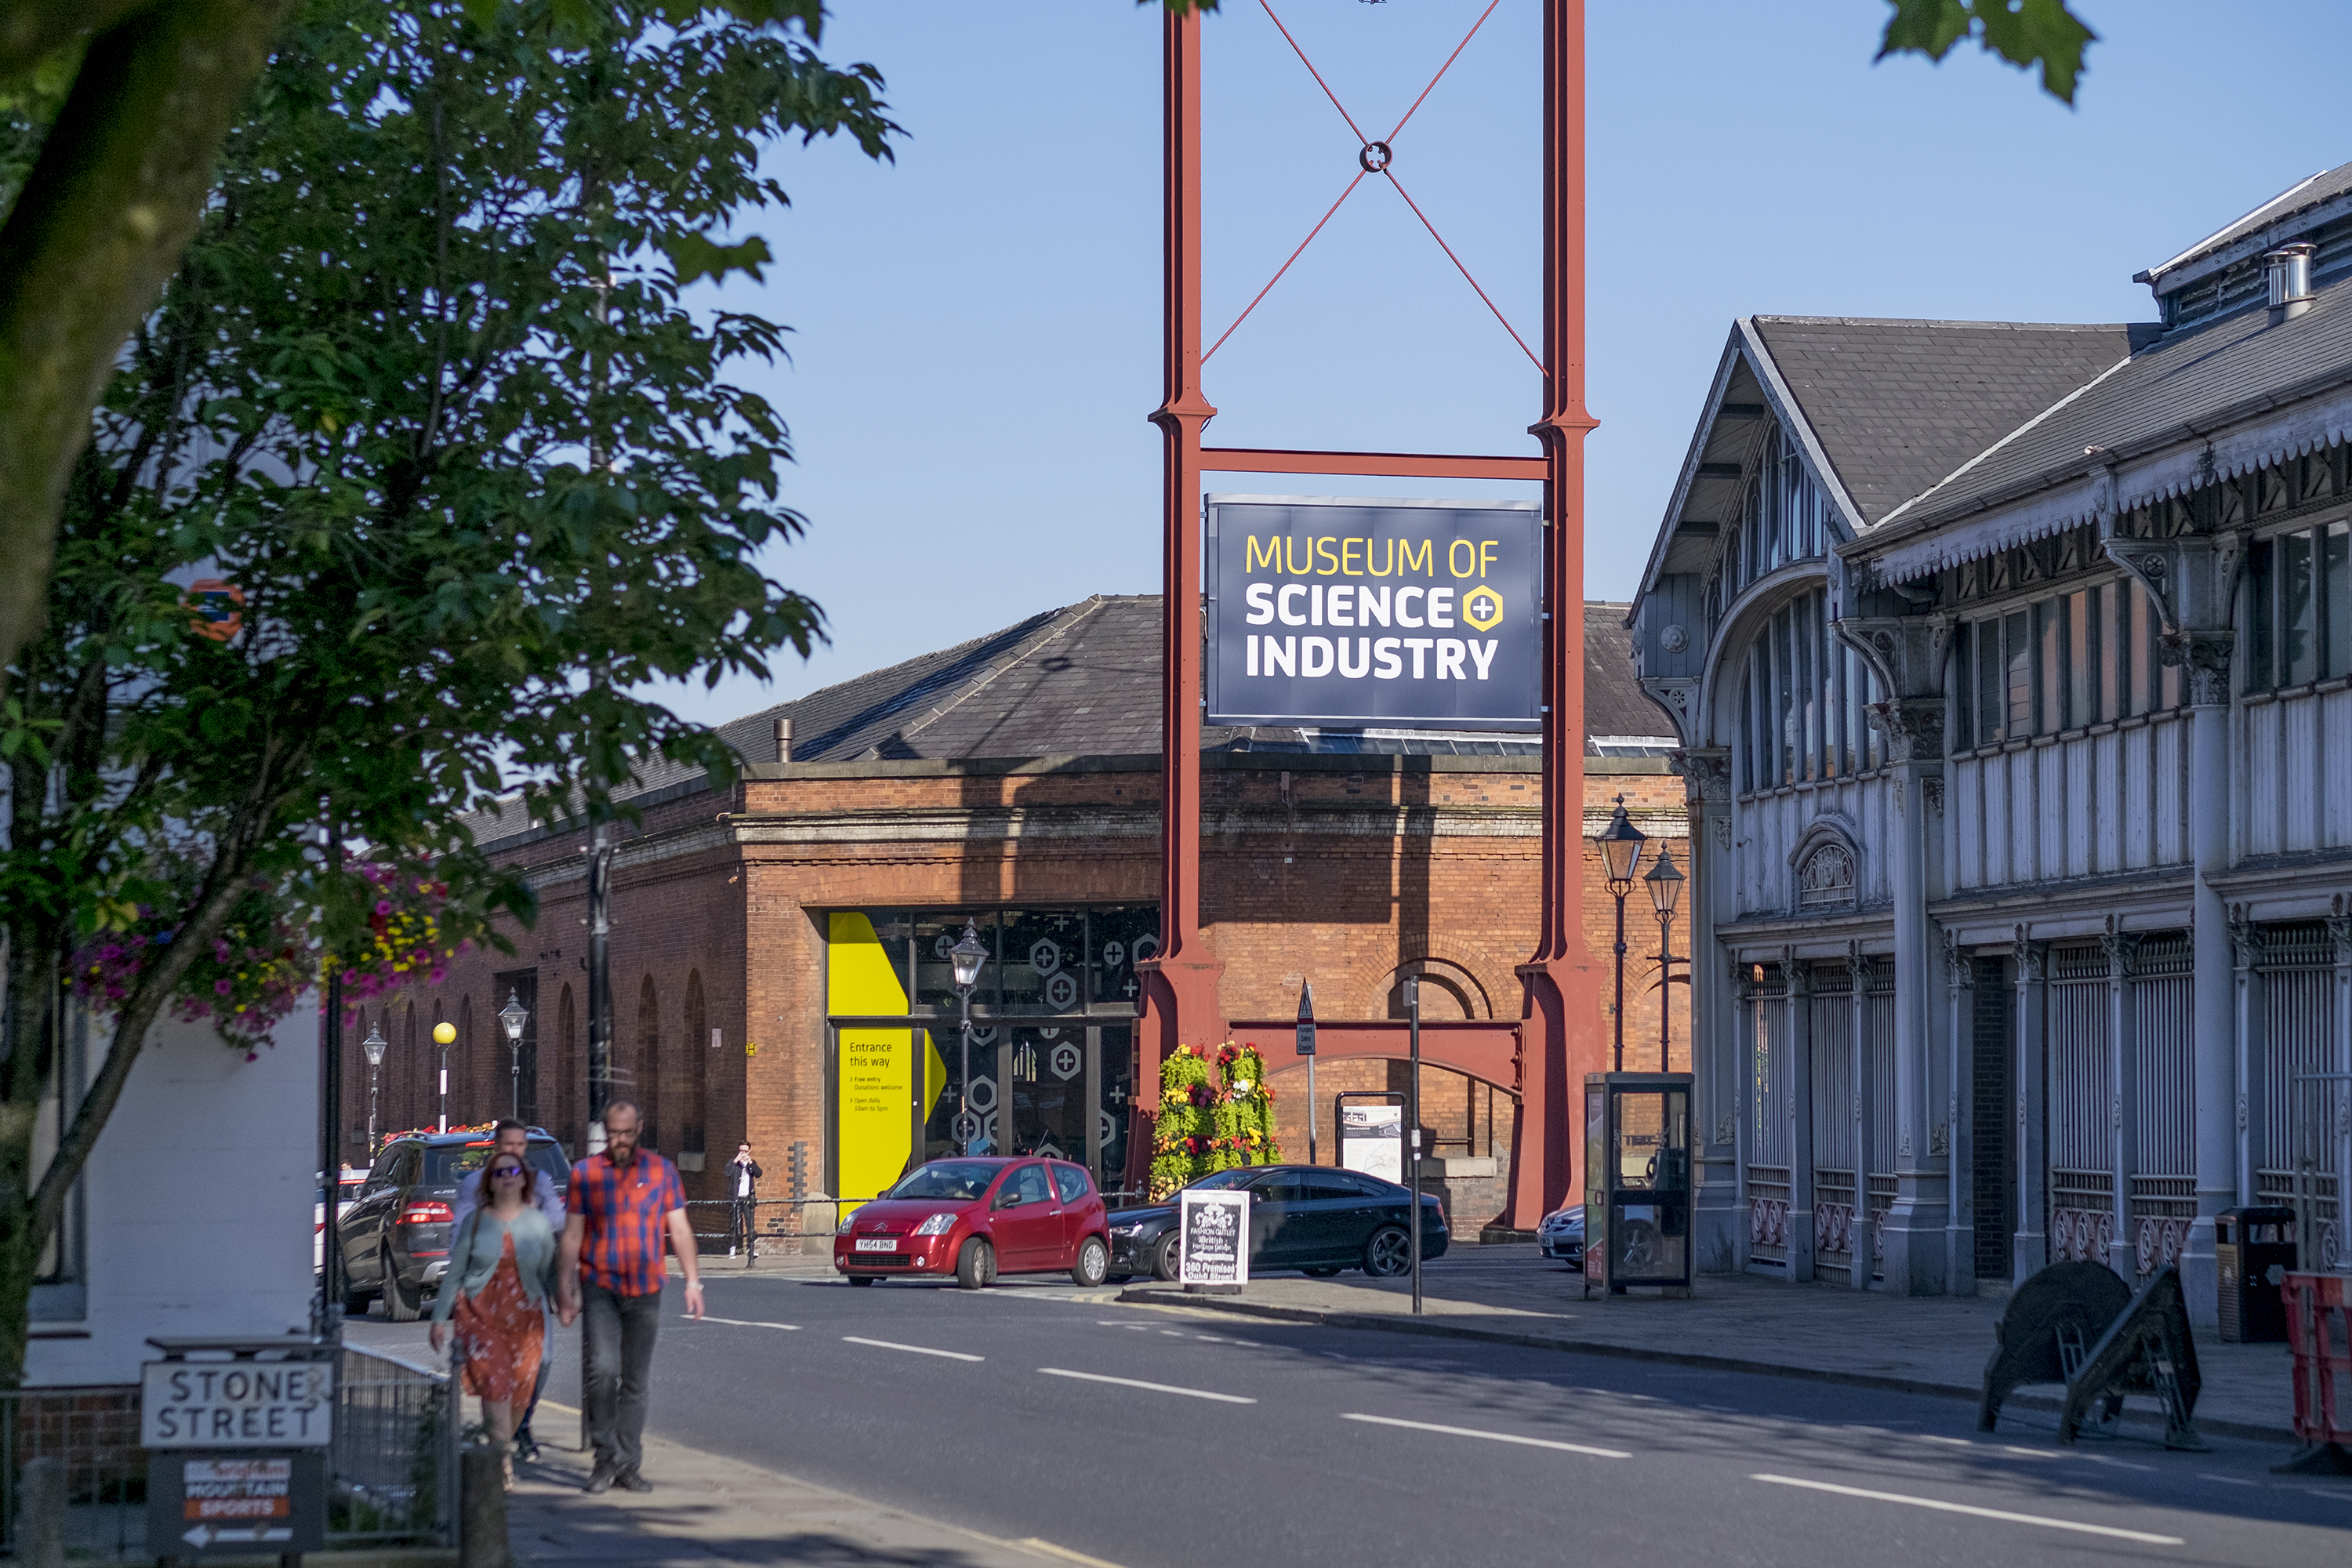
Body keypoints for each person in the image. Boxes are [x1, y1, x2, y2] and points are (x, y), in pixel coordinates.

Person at [557, 1101, 704, 1494]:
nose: (619, 1140)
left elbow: (680, 1228)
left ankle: (627, 1463)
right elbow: (572, 1235)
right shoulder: (585, 1174)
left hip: (646, 1287)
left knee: (635, 1382)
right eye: (613, 1133)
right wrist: (564, 1288)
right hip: (600, 1285)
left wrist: (693, 1282)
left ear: (640, 1128)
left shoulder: (661, 1171)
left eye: (626, 1132)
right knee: (602, 1372)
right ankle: (604, 1459)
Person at [428, 1152, 557, 1491]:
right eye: (499, 1173)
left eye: (514, 1171)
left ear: (524, 1179)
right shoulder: (476, 1222)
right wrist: (440, 1317)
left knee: (519, 1394)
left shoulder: (537, 1223)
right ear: (490, 1181)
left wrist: (566, 1299)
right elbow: (456, 1271)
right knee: (496, 1385)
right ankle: (501, 1465)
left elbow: (550, 1270)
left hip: (526, 1319)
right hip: (480, 1314)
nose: (507, 1177)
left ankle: (498, 1446)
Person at [449, 1120, 567, 1459]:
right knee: (495, 1366)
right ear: (496, 1147)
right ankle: (501, 1445)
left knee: (541, 1361)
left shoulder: (539, 1182)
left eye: (520, 1145)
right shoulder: (475, 1184)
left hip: (529, 1285)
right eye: (508, 1145)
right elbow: (461, 1232)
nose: (514, 1151)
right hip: (489, 1289)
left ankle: (521, 1422)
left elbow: (558, 1219)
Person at [725, 1142, 762, 1257]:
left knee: (750, 1224)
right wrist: (736, 1160)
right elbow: (727, 1173)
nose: (743, 1154)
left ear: (749, 1152)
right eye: (741, 1151)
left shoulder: (751, 1164)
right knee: (734, 1224)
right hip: (735, 1198)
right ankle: (733, 1248)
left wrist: (750, 1162)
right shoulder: (733, 1163)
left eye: (745, 1151)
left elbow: (759, 1174)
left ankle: (750, 1249)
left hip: (748, 1198)